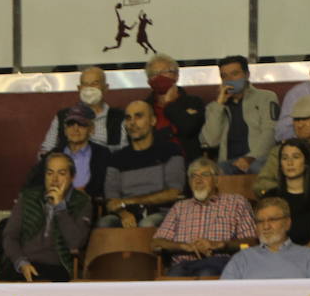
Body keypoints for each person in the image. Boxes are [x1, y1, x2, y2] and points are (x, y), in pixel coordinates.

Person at [151, 158, 257, 276]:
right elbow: (157, 243)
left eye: (205, 175)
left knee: (206, 272)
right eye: (193, 176)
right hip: (183, 265)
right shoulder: (179, 208)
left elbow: (251, 242)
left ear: (216, 180)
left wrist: (219, 245)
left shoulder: (236, 202)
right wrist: (185, 247)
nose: (198, 180)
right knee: (175, 276)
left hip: (220, 262)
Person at [0, 152, 92, 282]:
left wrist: (60, 207)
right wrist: (21, 262)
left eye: (61, 173)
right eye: (50, 173)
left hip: (57, 266)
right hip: (23, 263)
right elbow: (10, 236)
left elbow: (75, 242)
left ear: (72, 177)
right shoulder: (28, 197)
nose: (54, 179)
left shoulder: (82, 202)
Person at [99, 99, 185, 228]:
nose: (132, 123)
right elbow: (112, 200)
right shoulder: (116, 158)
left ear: (152, 121)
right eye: (128, 118)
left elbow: (174, 193)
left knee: (147, 224)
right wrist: (123, 213)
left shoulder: (170, 151)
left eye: (138, 116)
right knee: (105, 223)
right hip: (126, 214)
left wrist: (132, 201)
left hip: (162, 213)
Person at [201, 56, 277, 176]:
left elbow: (270, 132)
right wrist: (219, 104)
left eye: (234, 74)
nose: (229, 79)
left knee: (256, 168)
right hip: (228, 163)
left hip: (259, 159)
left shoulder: (266, 97)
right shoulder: (214, 107)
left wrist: (251, 158)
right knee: (212, 173)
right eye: (224, 76)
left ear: (247, 75)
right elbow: (210, 141)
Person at [220, 197, 310, 280]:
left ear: (287, 223)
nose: (266, 226)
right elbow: (224, 294)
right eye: (260, 221)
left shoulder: (309, 257)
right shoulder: (242, 259)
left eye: (272, 220)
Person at [32, 103, 111, 203]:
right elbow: (33, 186)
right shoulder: (51, 156)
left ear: (91, 129)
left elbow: (109, 189)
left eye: (81, 124)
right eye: (70, 124)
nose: (75, 129)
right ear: (65, 130)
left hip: (91, 209)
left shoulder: (103, 155)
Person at [39, 66, 125, 154]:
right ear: (79, 89)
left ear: (106, 88)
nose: (89, 88)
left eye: (94, 83)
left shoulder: (120, 117)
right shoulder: (63, 116)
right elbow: (46, 150)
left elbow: (124, 151)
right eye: (85, 84)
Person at [143, 53, 206, 164]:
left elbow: (189, 129)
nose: (160, 77)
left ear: (177, 76)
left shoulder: (194, 102)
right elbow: (143, 140)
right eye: (154, 74)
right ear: (148, 81)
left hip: (188, 164)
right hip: (153, 164)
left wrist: (170, 105)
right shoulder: (143, 107)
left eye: (164, 72)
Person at [270, 139, 310, 252]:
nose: (290, 163)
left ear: (306, 162)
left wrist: (301, 256)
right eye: (285, 158)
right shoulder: (271, 197)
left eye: (296, 157)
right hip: (277, 254)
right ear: (280, 164)